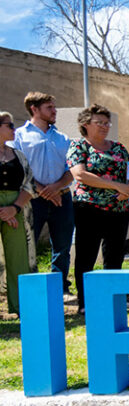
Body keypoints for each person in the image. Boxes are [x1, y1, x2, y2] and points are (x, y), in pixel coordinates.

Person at [67, 105, 129, 315]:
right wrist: (117, 186)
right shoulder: (79, 147)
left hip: (118, 210)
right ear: (85, 124)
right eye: (100, 123)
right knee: (86, 256)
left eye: (107, 123)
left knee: (115, 256)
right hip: (88, 208)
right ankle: (85, 302)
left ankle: (115, 299)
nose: (105, 127)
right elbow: (80, 175)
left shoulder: (118, 147)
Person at [13, 92, 74, 298]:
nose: (54, 111)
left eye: (54, 107)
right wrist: (43, 190)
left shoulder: (62, 138)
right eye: (49, 107)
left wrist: (56, 188)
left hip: (62, 198)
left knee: (63, 246)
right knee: (29, 246)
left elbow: (70, 170)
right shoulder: (19, 136)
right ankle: (32, 291)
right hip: (32, 199)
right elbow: (19, 168)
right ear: (34, 109)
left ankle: (60, 288)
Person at [0, 112, 35, 319]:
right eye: (9, 125)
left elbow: (29, 184)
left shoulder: (18, 155)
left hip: (16, 209)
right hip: (6, 211)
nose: (14, 129)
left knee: (18, 258)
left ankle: (21, 306)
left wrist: (14, 208)